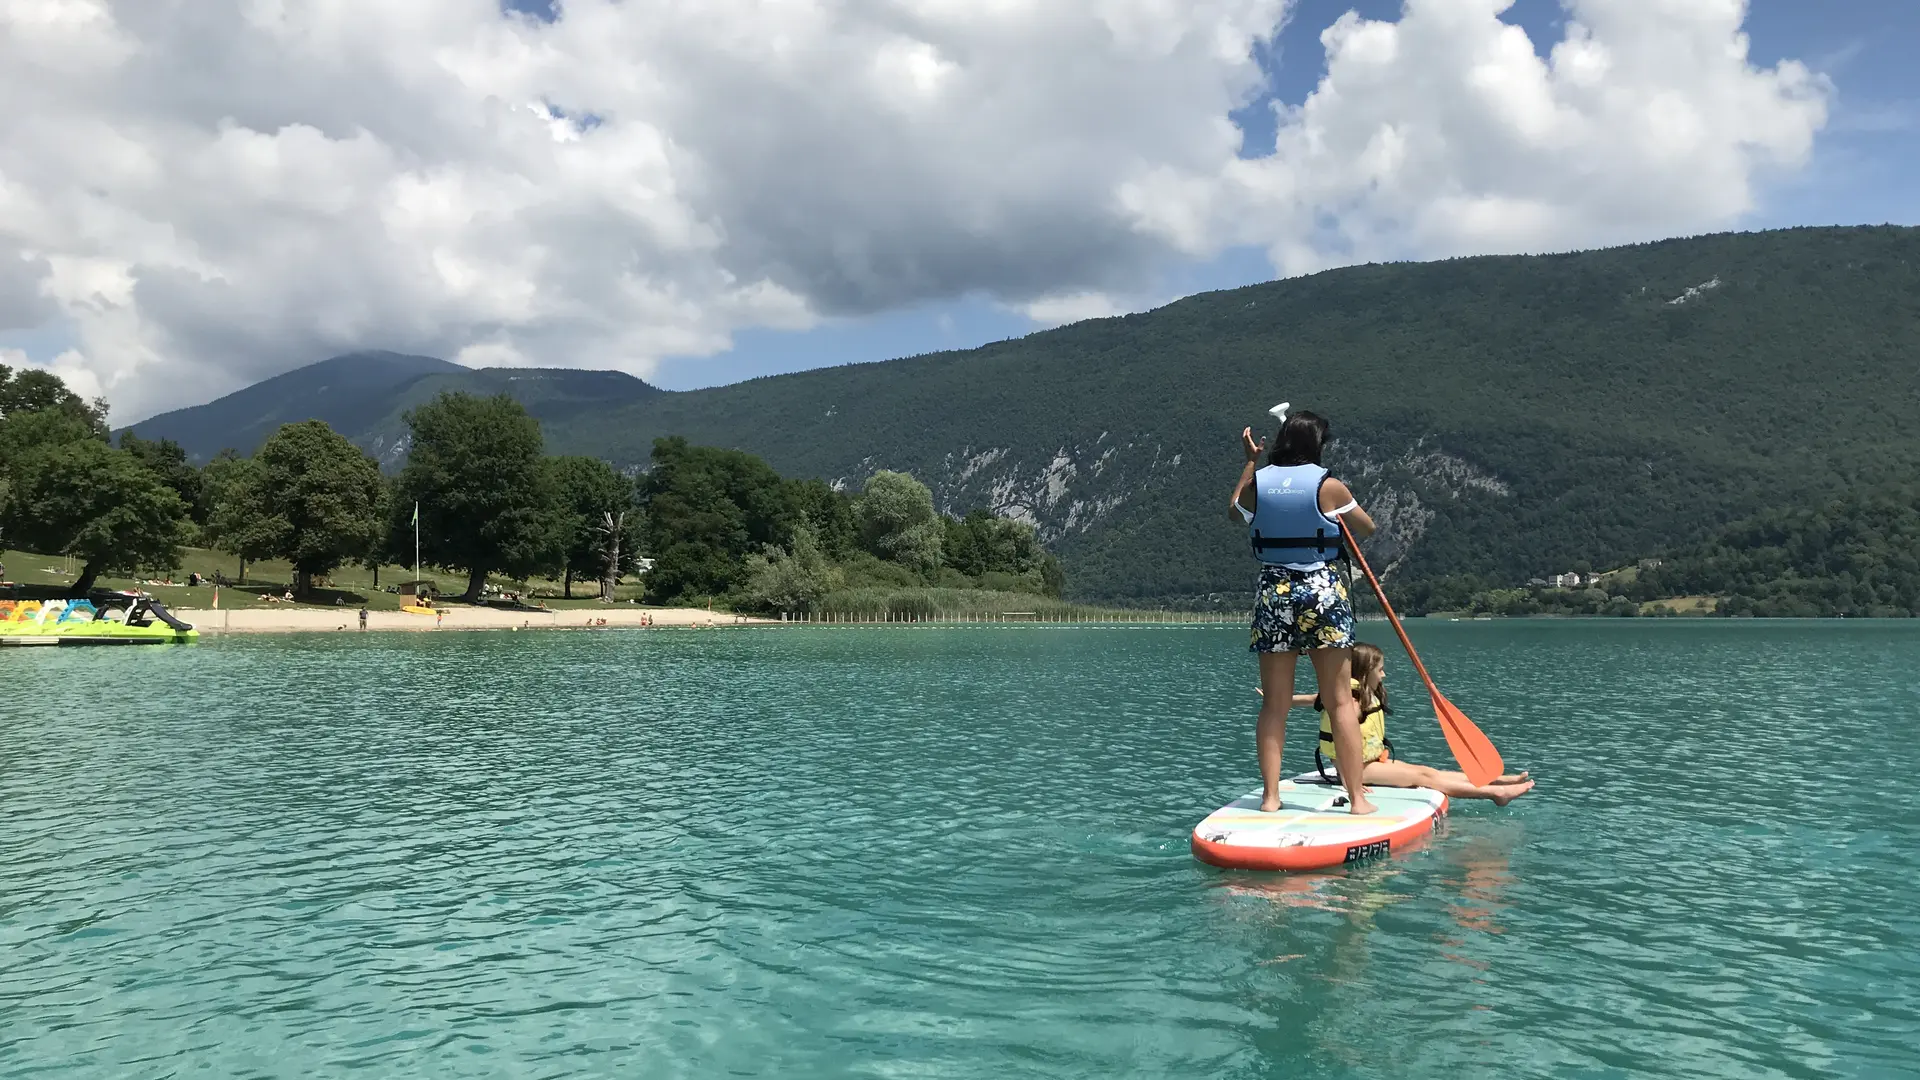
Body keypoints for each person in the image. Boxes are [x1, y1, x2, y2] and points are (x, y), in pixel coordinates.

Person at [1230, 404, 1377, 814]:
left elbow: (1233, 512)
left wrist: (1250, 464)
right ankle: (1358, 800)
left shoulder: (1257, 485)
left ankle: (1271, 797)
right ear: (1317, 445)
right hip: (1322, 593)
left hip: (1273, 593)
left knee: (1274, 703)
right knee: (1340, 702)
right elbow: (1366, 527)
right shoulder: (1330, 486)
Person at [1257, 641, 1535, 804]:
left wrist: (1283, 699)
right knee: (1424, 778)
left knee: (1429, 770)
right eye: (1380, 670)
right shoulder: (1349, 701)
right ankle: (1494, 794)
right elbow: (1336, 726)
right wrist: (1348, 781)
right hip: (1357, 770)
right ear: (1365, 672)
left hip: (1372, 762)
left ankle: (1496, 780)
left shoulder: (1352, 693)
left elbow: (1310, 699)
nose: (1385, 675)